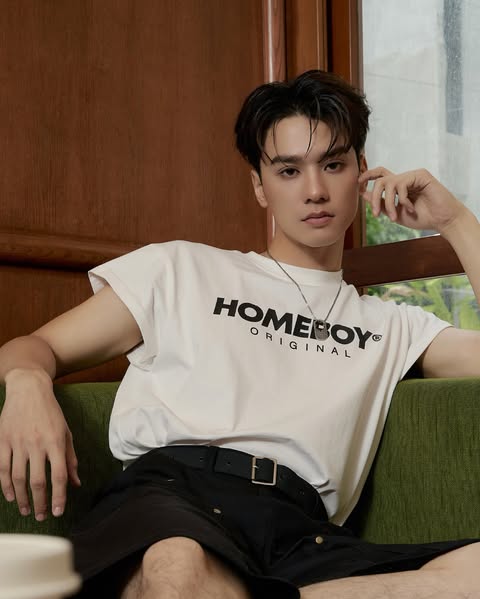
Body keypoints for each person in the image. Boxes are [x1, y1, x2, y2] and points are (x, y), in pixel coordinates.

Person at [0, 70, 479, 599]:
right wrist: (27, 384)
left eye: (333, 165)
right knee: (178, 563)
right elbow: (36, 347)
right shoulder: (180, 269)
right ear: (259, 186)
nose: (315, 191)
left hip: (299, 531)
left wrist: (455, 220)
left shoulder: (393, 326)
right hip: (174, 497)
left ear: (360, 172)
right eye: (289, 170)